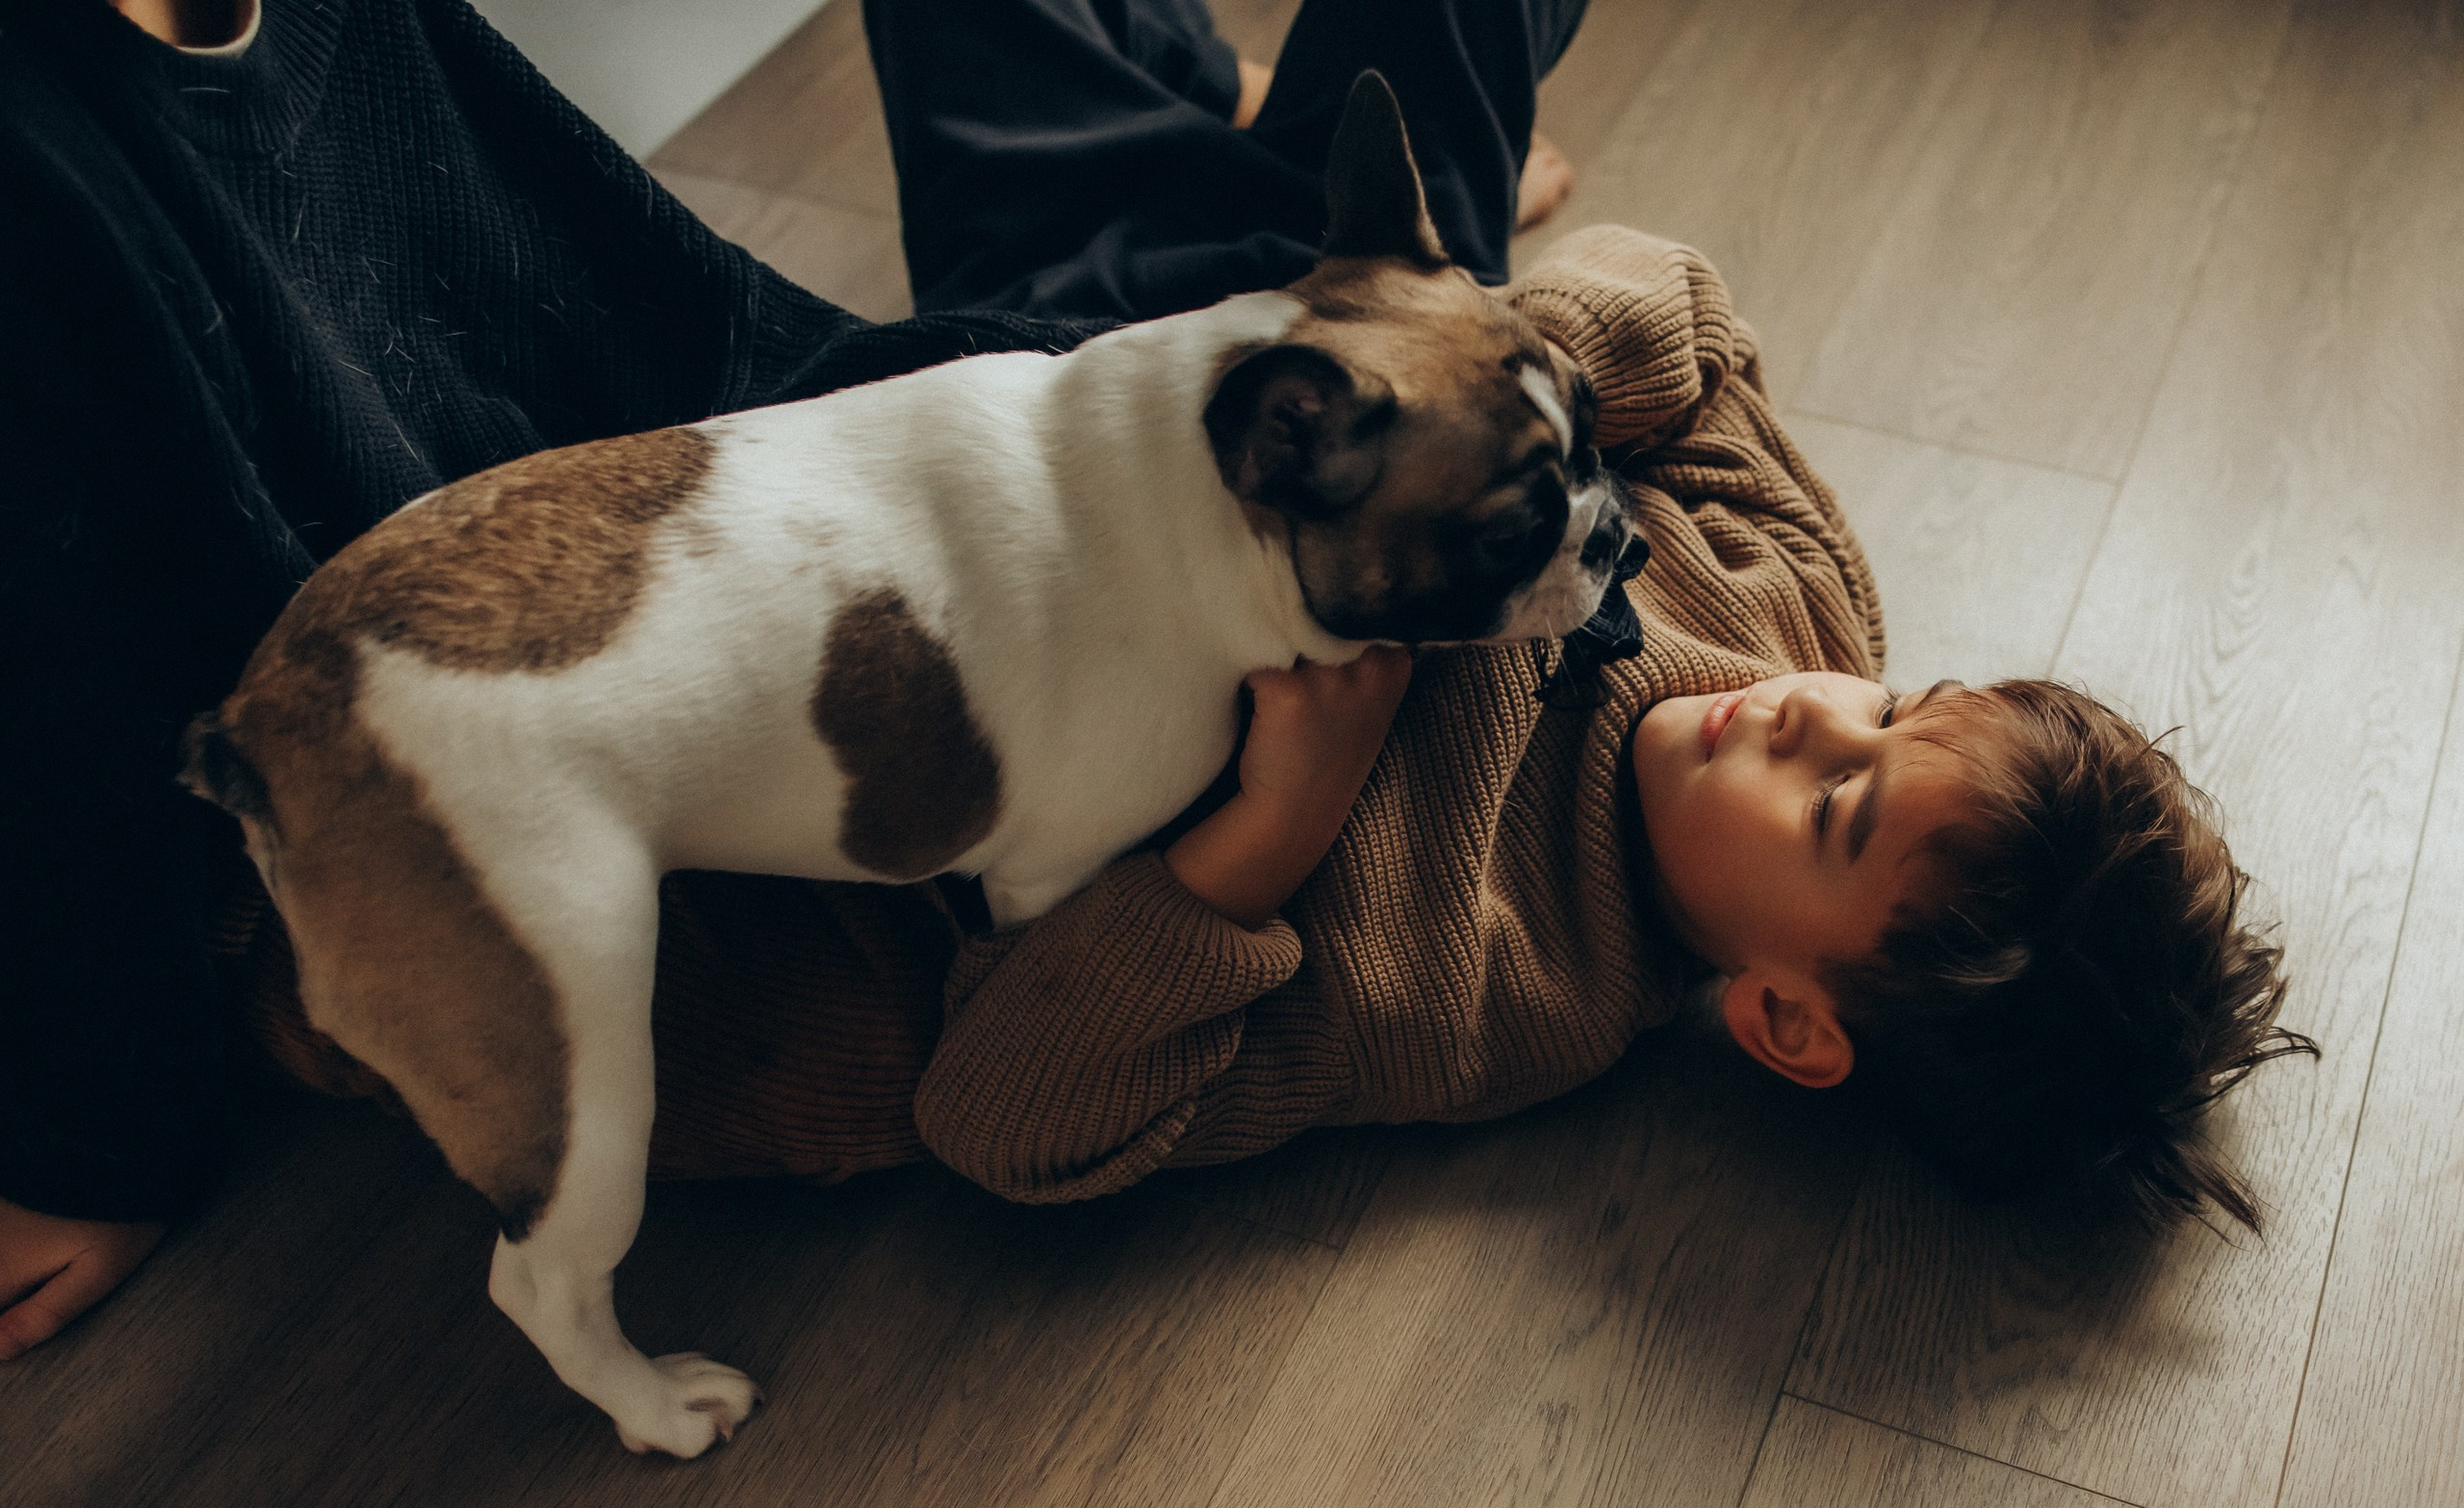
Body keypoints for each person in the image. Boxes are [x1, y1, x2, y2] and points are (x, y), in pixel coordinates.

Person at [0, 0, 2307, 1362]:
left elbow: (1010, 1115)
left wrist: (1260, 838)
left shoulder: (1464, 977)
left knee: (102, 270)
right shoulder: (1794, 626)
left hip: (834, 676)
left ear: (1788, 1018)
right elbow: (1682, 314)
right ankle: (1279, 187)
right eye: (1900, 713)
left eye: (1835, 810)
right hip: (1133, 397)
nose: (1816, 717)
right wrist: (1481, 347)